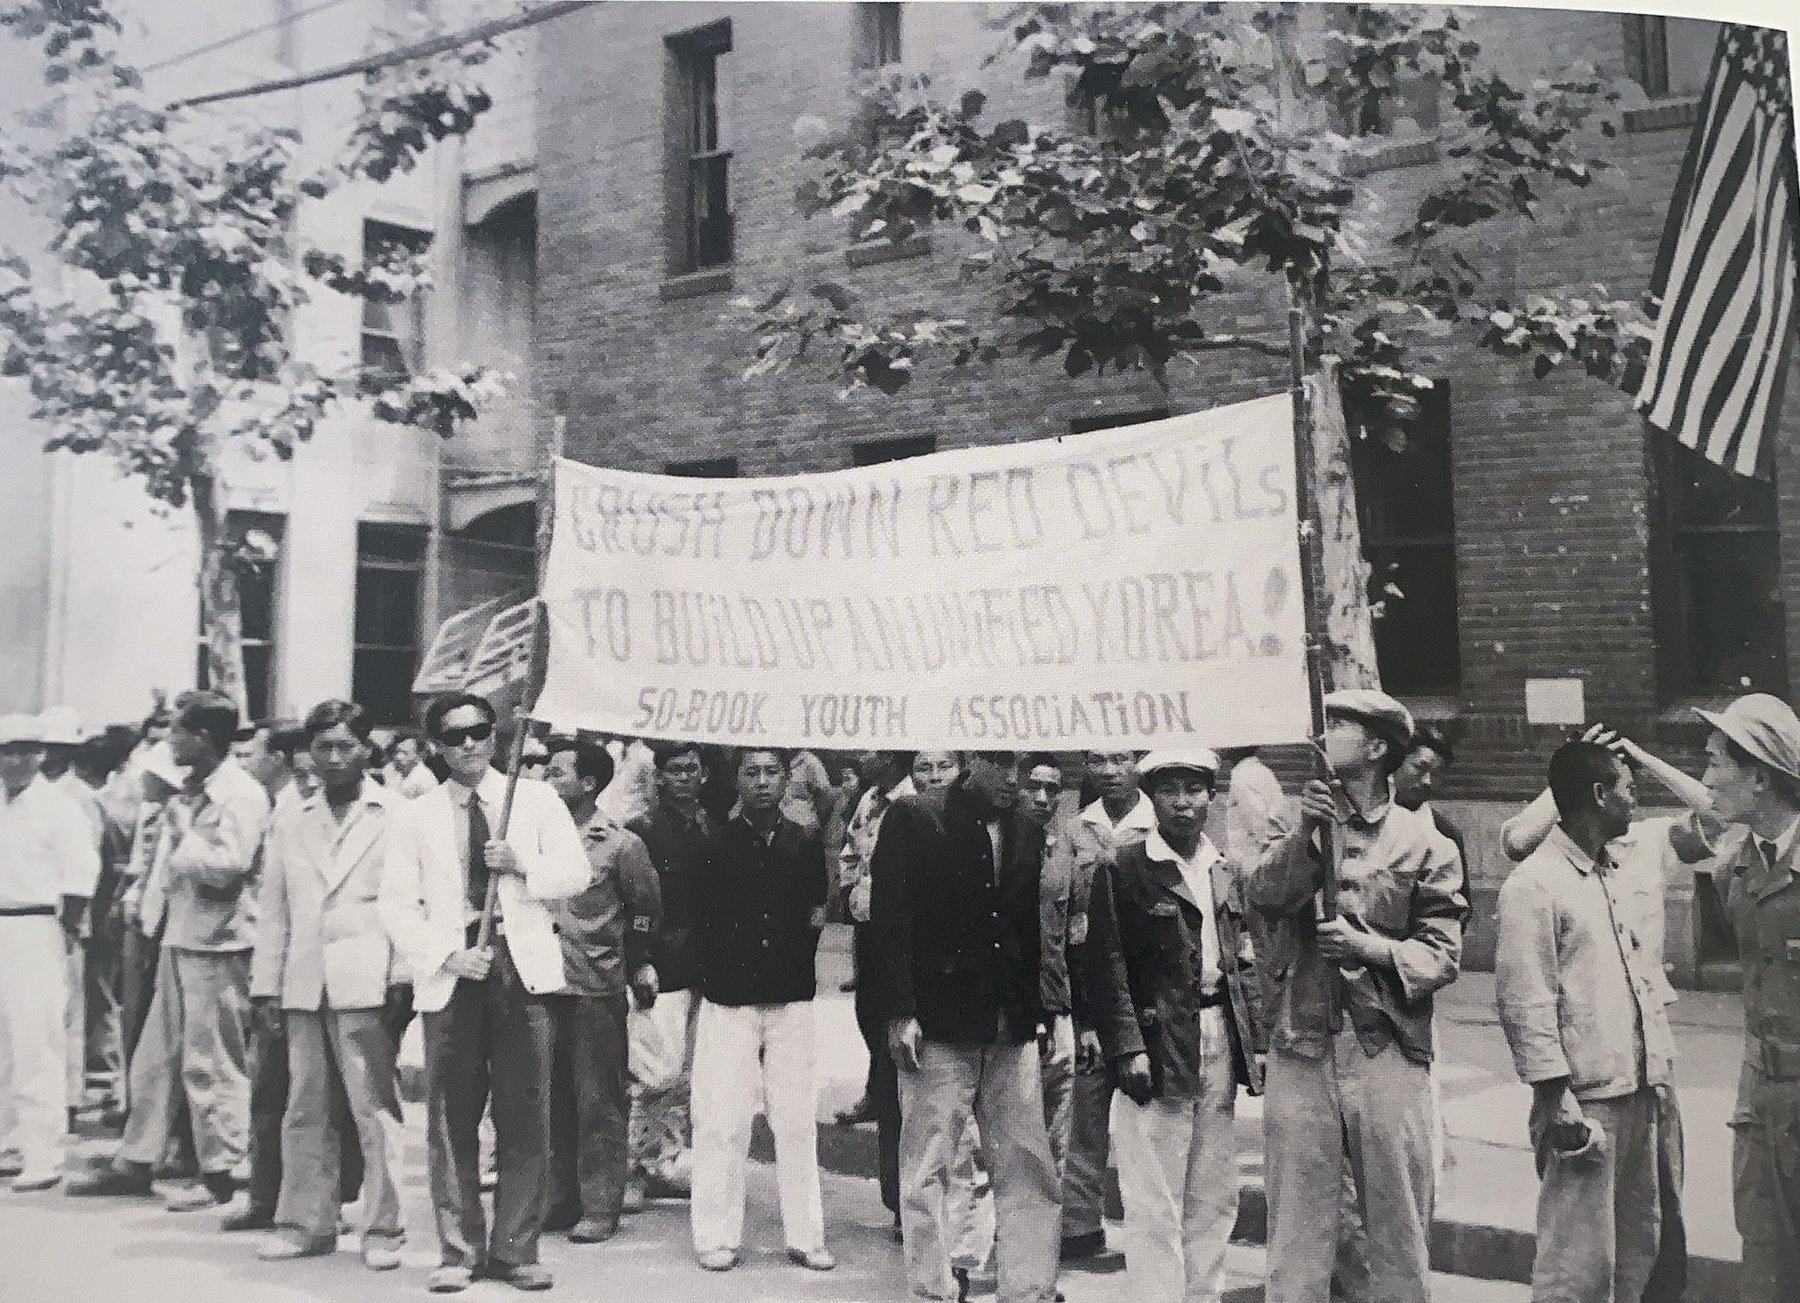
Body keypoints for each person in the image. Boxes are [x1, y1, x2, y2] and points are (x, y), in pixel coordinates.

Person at [1249, 688, 1464, 1303]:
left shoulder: (1428, 843)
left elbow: (1442, 954)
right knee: (1297, 1225)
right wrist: (1306, 836)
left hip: (1386, 1051)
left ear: (1375, 748)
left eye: (1339, 724)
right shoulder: (1303, 821)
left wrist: (1370, 948)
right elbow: (1264, 897)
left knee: (1396, 1224)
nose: (1325, 730)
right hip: (1303, 1045)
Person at [377, 691, 590, 1294]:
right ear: (436, 747)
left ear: (496, 735)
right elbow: (395, 904)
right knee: (451, 1117)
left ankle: (517, 1248)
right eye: (452, 736)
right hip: (455, 974)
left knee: (527, 1111)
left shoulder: (536, 799)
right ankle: (459, 1249)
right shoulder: (415, 814)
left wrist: (521, 863)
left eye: (477, 732)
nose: (467, 744)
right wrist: (446, 955)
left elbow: (575, 874)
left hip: (521, 970)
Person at [870, 750, 1062, 1303]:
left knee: (1026, 1162)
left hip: (1010, 1026)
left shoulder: (1027, 829)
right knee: (929, 1161)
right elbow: (892, 920)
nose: (1012, 780)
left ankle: (1027, 1287)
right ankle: (932, 1288)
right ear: (970, 759)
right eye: (1000, 765)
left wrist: (1039, 1013)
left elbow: (1029, 929)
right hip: (939, 1024)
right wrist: (900, 1011)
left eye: (1020, 769)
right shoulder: (914, 817)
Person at [1496, 738, 1682, 1303]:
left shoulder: (1615, 873)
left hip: (1638, 1092)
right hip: (1585, 1104)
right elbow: (1525, 999)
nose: (1636, 800)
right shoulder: (1535, 885)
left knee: (1635, 1252)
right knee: (1575, 1267)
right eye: (1628, 790)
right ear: (1600, 796)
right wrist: (1555, 1098)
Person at [71, 690, 271, 1211]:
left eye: (179, 733)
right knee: (153, 1059)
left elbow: (229, 867)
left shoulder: (241, 795)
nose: (170, 742)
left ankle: (222, 1170)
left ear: (204, 738)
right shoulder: (192, 791)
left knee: (211, 1061)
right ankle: (136, 1160)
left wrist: (183, 837)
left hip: (220, 942)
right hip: (180, 936)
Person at [1085, 749, 1266, 1303]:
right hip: (1157, 1042)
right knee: (1154, 1195)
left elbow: (1243, 960)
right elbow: (1107, 963)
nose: (1184, 803)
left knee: (1212, 1195)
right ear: (1151, 797)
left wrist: (1253, 1041)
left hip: (1216, 1035)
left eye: (1194, 789)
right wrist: (1127, 1047)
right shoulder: (1124, 866)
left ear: (1212, 795)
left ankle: (1202, 1295)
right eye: (1170, 791)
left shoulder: (1223, 867)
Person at [250, 699, 408, 1271]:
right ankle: (305, 1222)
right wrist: (266, 986)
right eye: (324, 746)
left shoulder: (396, 813)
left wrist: (401, 976)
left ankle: (384, 1227)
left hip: (369, 982)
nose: (335, 758)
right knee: (303, 1107)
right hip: (303, 982)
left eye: (347, 745)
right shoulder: (291, 818)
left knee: (374, 1109)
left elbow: (408, 902)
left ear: (368, 749)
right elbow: (275, 910)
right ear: (308, 753)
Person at [687, 747, 833, 1273]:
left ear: (786, 780)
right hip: (730, 998)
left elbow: (817, 913)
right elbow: (699, 920)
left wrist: (791, 961)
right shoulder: (714, 844)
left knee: (795, 1119)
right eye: (753, 773)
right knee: (722, 1119)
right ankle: (716, 1235)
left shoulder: (805, 841)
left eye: (773, 772)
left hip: (791, 996)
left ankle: (806, 1236)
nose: (764, 782)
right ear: (738, 781)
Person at [1690, 693, 1800, 1303]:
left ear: (1758, 777)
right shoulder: (1743, 867)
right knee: (1762, 1264)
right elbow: (1694, 824)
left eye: (1715, 763)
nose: (1707, 780)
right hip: (1760, 1101)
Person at [541, 737, 660, 1245]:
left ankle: (599, 1204)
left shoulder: (620, 844)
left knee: (598, 1099)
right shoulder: (537, 837)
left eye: (556, 772)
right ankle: (557, 1197)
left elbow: (647, 908)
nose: (546, 780)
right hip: (540, 981)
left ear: (587, 783)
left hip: (594, 984)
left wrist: (637, 962)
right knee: (548, 1096)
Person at [1063, 748, 1156, 1267]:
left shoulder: (1161, 821)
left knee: (1150, 1117)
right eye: (1097, 760)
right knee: (1085, 1109)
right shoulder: (1078, 827)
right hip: (1092, 981)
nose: (1108, 771)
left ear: (1137, 762)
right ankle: (1079, 1226)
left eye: (1119, 758)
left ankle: (1150, 1231)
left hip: (1150, 986)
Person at [0, 713, 100, 1191]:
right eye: (6, 749)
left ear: (42, 754)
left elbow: (81, 876)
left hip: (36, 924)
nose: (15, 758)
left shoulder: (59, 808)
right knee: (2, 1042)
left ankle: (43, 1153)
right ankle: (8, 1142)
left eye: (25, 749)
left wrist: (66, 932)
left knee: (37, 1039)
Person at [623, 740, 716, 1208]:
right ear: (659, 777)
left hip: (704, 962)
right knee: (651, 1071)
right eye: (674, 770)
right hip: (661, 963)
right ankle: (633, 1170)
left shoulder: (710, 825)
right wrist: (638, 960)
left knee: (687, 1073)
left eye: (691, 770)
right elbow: (636, 904)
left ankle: (667, 1161)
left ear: (704, 776)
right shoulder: (643, 830)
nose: (683, 777)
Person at [836, 749, 915, 1228]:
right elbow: (850, 850)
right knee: (878, 1047)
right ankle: (897, 1199)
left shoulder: (917, 800)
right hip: (871, 933)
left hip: (907, 936)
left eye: (874, 751)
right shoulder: (869, 800)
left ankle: (914, 1204)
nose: (864, 756)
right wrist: (851, 892)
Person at [385, 730, 439, 800]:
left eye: (405, 753)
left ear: (419, 756)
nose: (398, 757)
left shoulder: (426, 780)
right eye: (397, 752)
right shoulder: (391, 770)